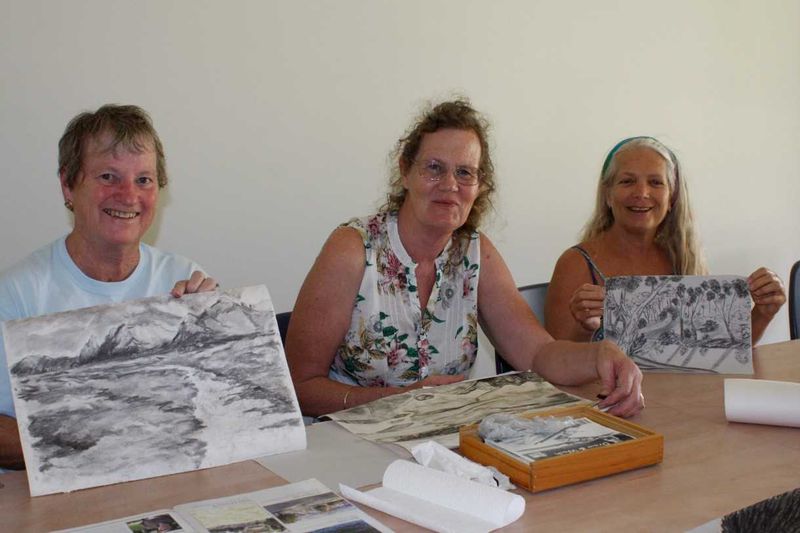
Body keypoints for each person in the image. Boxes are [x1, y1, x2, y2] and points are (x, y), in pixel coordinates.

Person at [286, 99, 643, 420]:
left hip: (441, 443)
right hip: (345, 444)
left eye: (464, 172)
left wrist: (600, 355)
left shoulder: (475, 252)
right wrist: (396, 400)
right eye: (434, 168)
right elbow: (301, 388)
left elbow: (538, 356)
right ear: (405, 171)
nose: (449, 185)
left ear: (480, 185)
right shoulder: (352, 249)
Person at [0, 104, 217, 470]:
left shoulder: (184, 280)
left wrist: (212, 338)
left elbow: (213, 413)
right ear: (68, 185)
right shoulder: (17, 294)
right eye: (107, 177)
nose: (128, 195)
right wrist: (103, 444)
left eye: (143, 180)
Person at [545, 136, 786, 344]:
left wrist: (763, 313)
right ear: (608, 194)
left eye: (656, 182)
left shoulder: (683, 258)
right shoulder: (576, 264)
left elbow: (715, 349)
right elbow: (553, 364)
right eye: (627, 181)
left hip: (678, 395)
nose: (641, 193)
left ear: (672, 197)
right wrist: (585, 327)